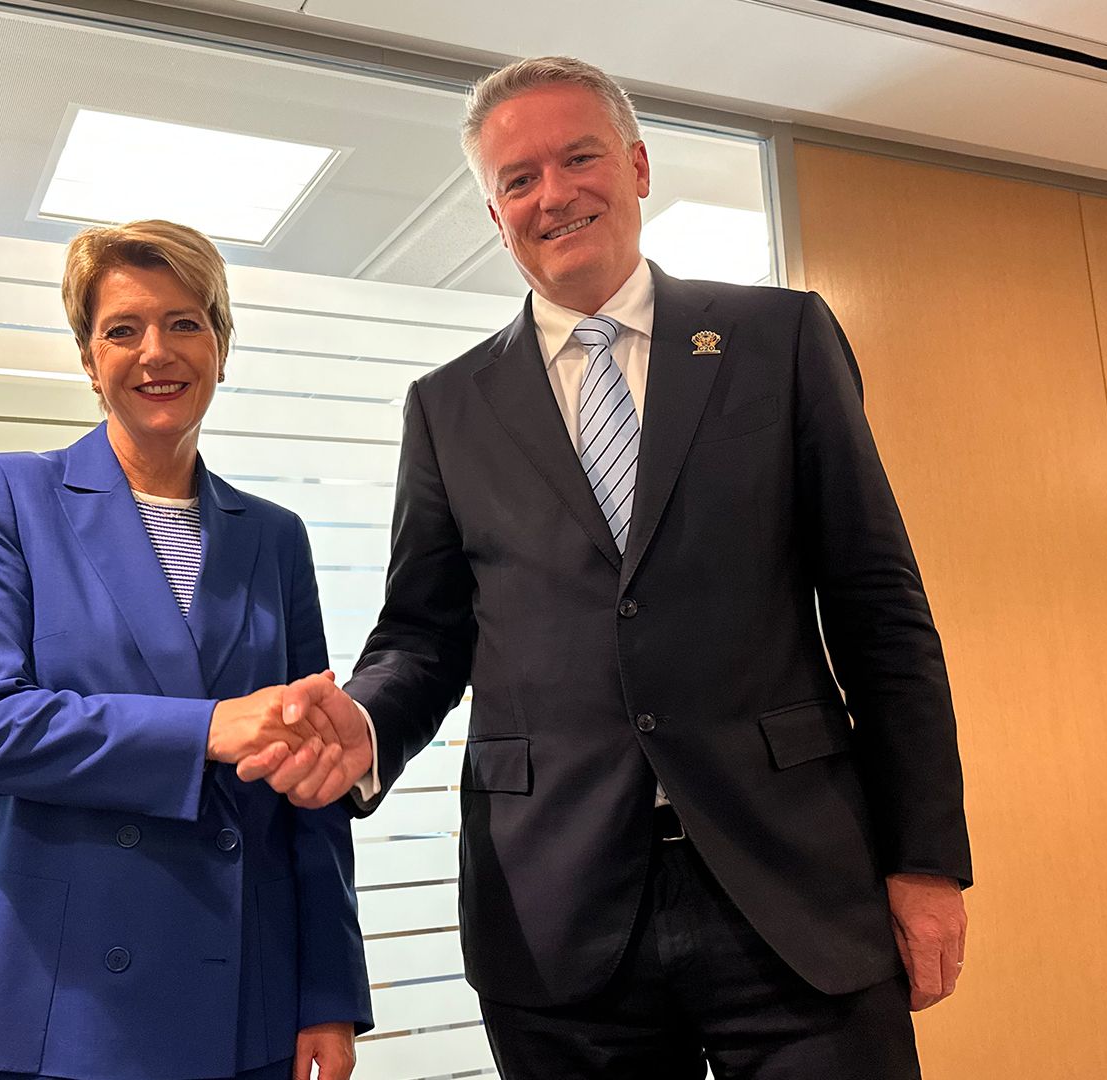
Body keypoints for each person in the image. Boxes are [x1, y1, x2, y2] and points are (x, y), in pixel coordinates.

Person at [244, 57, 971, 1078]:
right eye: (518, 180)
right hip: (558, 914)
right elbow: (424, 634)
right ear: (496, 216)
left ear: (635, 167)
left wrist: (926, 863)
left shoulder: (778, 339)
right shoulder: (448, 407)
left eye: (578, 158)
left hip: (793, 886)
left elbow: (880, 612)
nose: (554, 194)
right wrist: (362, 723)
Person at [0, 220, 371, 1080]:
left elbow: (312, 780)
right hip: (51, 1001)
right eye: (121, 330)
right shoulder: (10, 496)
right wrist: (207, 730)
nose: (155, 352)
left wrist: (328, 991)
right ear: (90, 360)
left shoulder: (275, 537)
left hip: (243, 993)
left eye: (184, 323)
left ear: (221, 345)